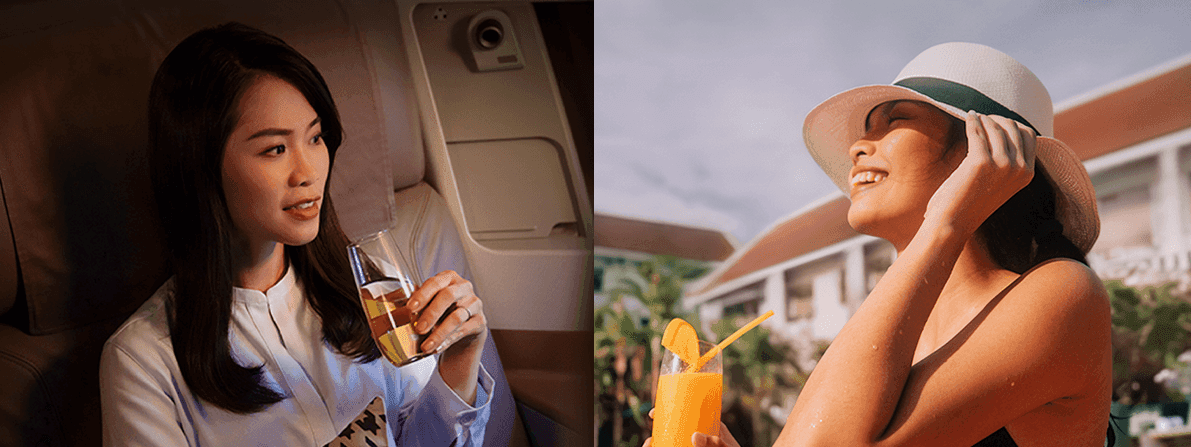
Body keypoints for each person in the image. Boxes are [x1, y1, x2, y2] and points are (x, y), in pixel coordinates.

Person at [651, 42, 1113, 446]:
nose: (857, 146)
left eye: (895, 120)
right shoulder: (895, 331)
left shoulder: (1064, 293)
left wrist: (946, 221)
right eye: (866, 128)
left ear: (984, 149)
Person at [99, 22, 496, 446]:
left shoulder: (370, 290)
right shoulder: (142, 361)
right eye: (275, 149)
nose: (308, 173)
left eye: (316, 137)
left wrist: (458, 365)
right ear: (201, 166)